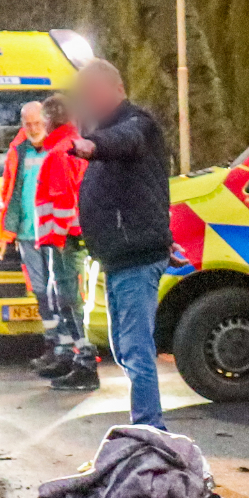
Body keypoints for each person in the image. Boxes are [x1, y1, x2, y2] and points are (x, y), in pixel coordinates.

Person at [69, 60, 171, 429]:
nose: (86, 101)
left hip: (136, 256)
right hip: (119, 257)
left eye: (89, 93)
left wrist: (89, 146)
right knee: (123, 348)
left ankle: (149, 429)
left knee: (135, 349)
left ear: (111, 88)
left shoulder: (135, 125)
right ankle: (146, 426)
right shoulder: (111, 129)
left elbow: (124, 143)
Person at [33, 95, 99, 389]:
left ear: (49, 121)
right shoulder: (72, 147)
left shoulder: (58, 153)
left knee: (68, 300)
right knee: (65, 297)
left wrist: (57, 237)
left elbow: (62, 202)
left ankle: (84, 361)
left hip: (64, 240)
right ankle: (74, 358)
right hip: (69, 237)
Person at [0, 102, 62, 371]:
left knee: (60, 293)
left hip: (55, 234)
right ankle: (52, 344)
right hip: (26, 233)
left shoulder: (58, 148)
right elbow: (8, 193)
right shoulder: (17, 152)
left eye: (37, 123)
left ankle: (66, 347)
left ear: (46, 121)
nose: (33, 129)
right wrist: (2, 232)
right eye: (28, 124)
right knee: (41, 292)